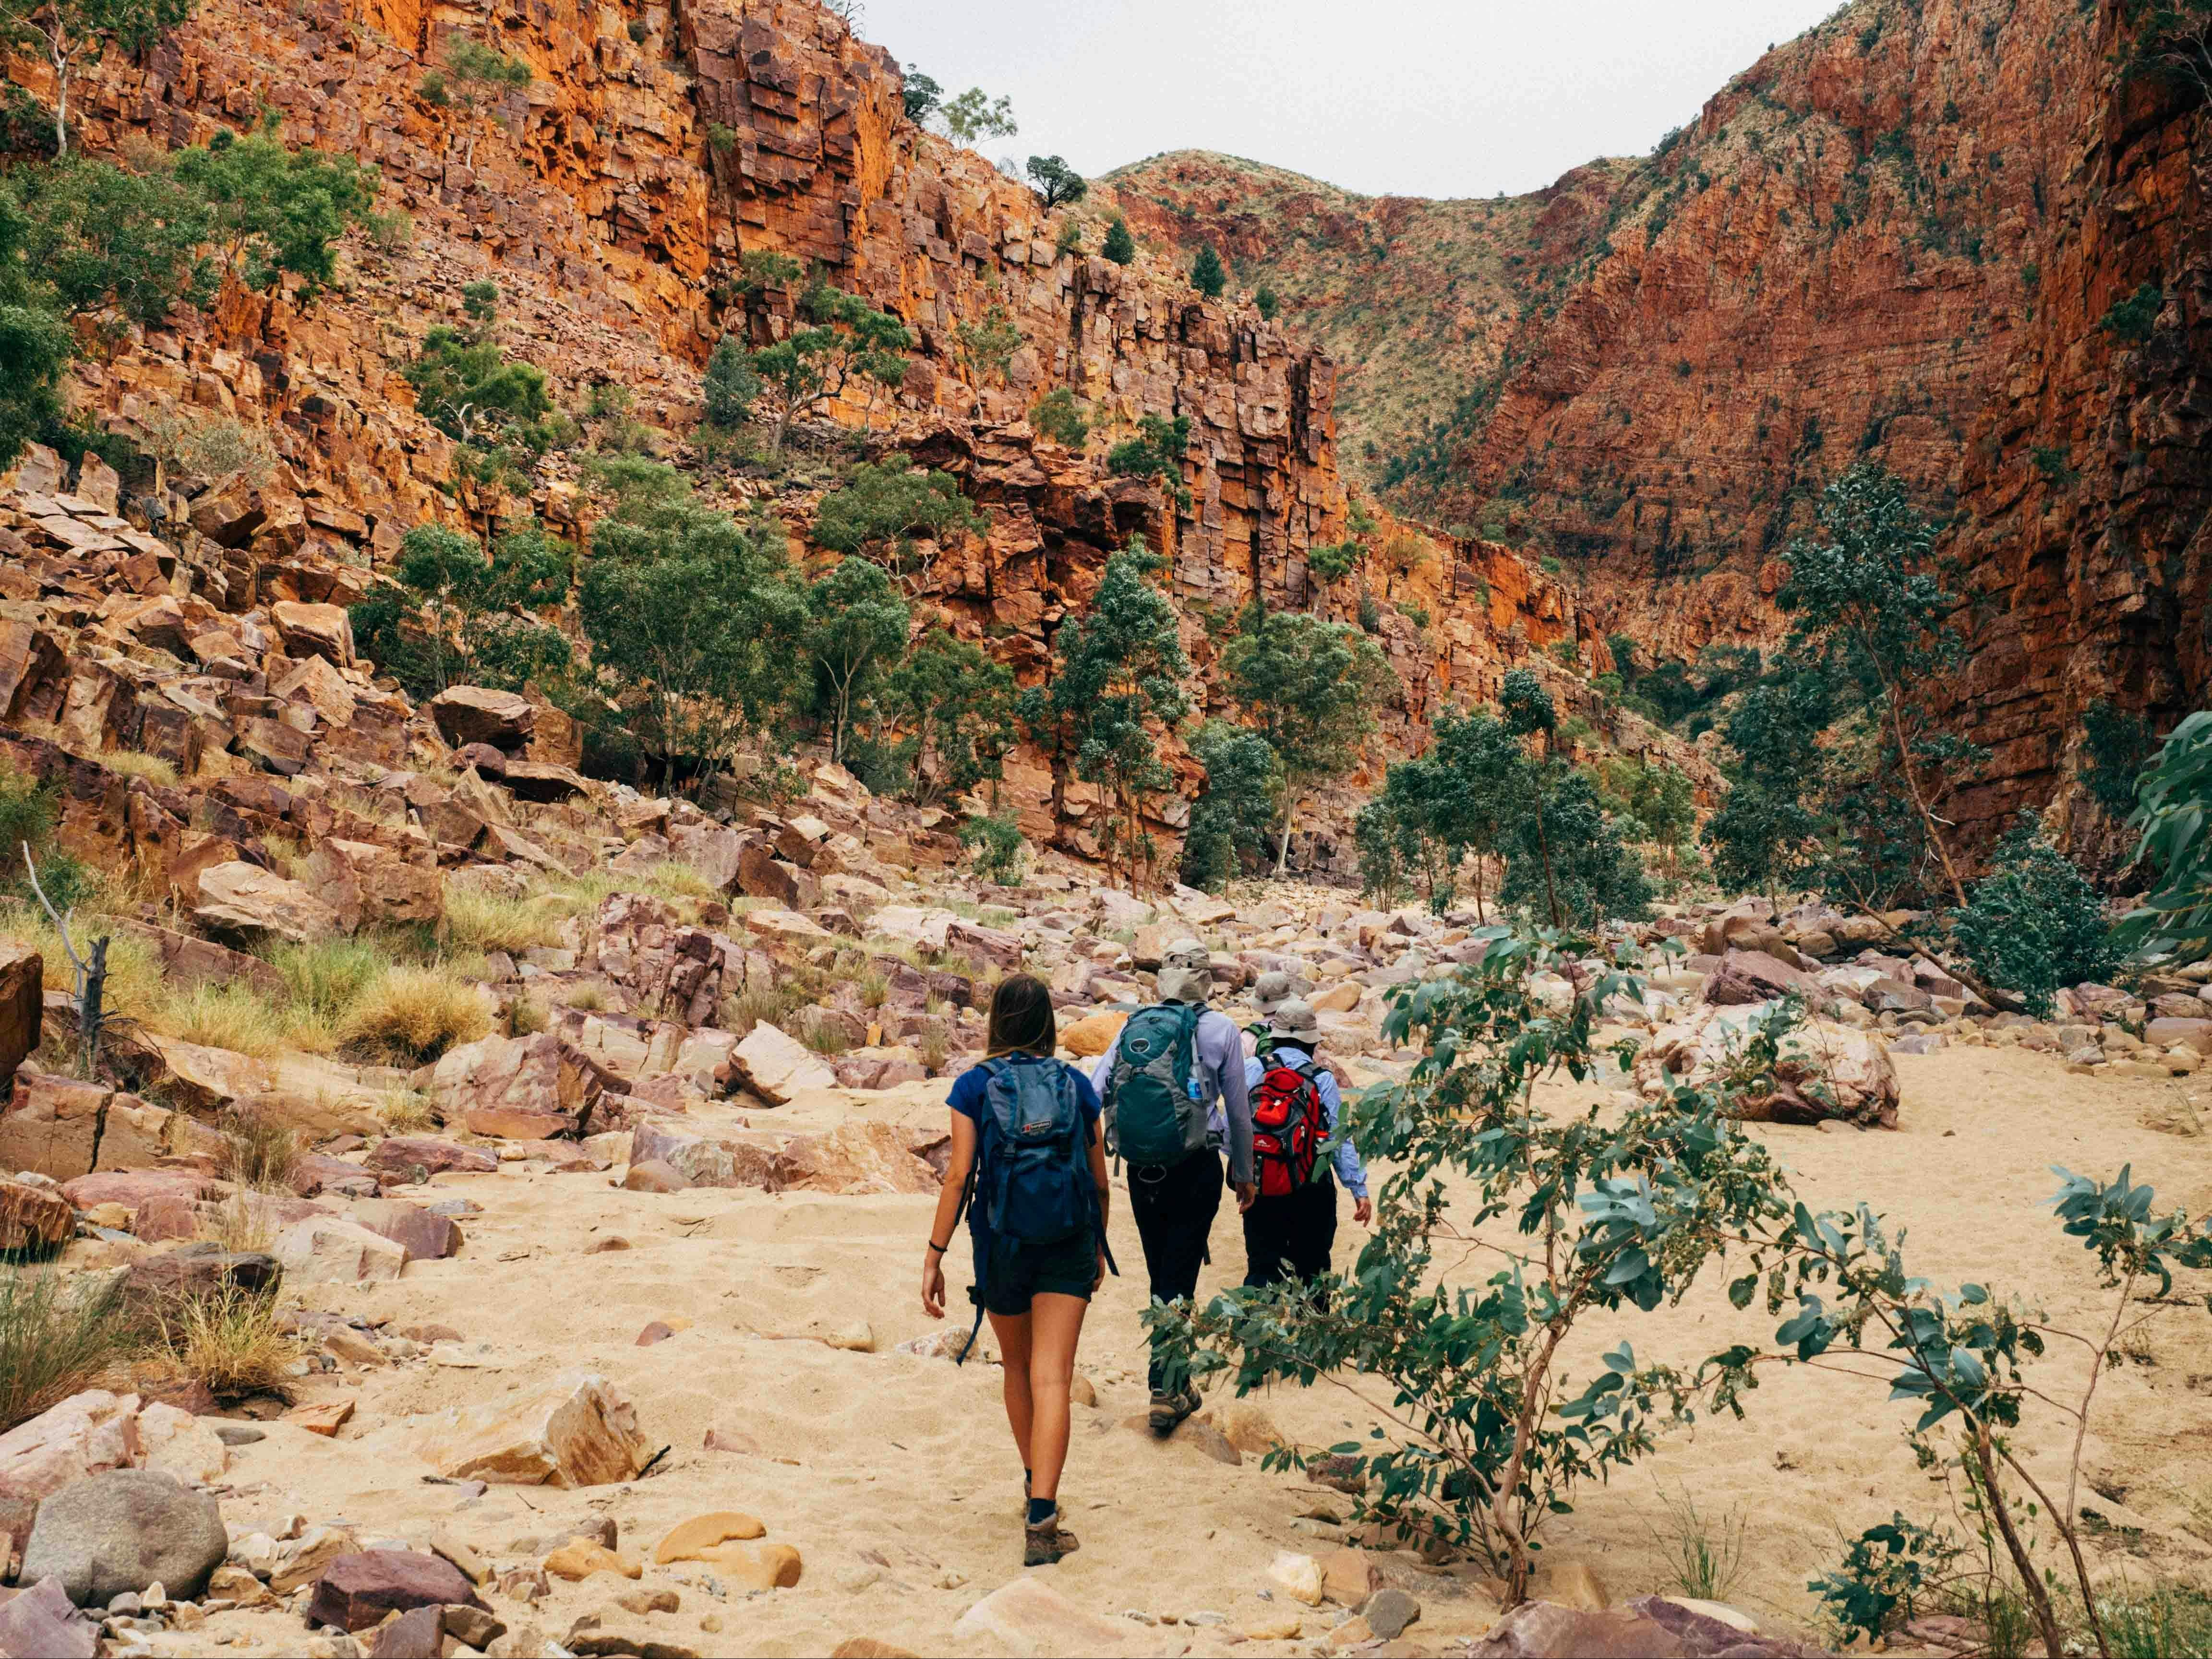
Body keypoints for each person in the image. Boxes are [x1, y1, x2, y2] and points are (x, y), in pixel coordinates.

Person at [920, 974, 1110, 1567]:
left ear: (997, 1022)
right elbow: (1100, 1179)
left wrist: (934, 1253)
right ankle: (1043, 1515)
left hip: (1000, 1241)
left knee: (1019, 1367)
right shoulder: (1077, 1086)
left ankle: (1033, 1479)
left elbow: (959, 1177)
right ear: (1050, 1024)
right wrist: (1099, 1247)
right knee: (1054, 1375)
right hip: (1068, 1239)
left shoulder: (974, 1086)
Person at [1091, 937, 1255, 1433]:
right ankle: (1164, 1386)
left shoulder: (1134, 1028)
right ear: (1206, 981)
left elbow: (1093, 1092)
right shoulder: (1221, 1029)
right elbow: (1239, 1112)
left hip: (1142, 1172)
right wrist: (1243, 1172)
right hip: (1195, 1168)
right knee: (1178, 1278)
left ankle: (1176, 1381)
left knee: (1165, 1272)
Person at [1242, 998, 1370, 1301]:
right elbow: (1339, 1140)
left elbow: (1230, 1127)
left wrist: (1243, 1173)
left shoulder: (1251, 1069)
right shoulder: (1322, 1078)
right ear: (1310, 1042)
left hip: (1262, 1186)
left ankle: (1261, 1344)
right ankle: (1312, 1343)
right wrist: (1358, 1188)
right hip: (1312, 1187)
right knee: (1313, 1270)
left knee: (1262, 1268)